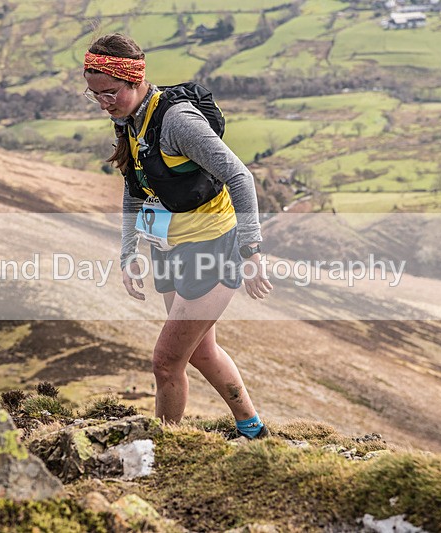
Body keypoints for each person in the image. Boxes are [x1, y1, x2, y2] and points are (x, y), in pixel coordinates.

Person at [83, 33, 273, 438]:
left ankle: (162, 447)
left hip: (212, 248)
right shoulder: (130, 119)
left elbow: (240, 177)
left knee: (166, 362)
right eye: (94, 94)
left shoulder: (177, 121)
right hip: (170, 247)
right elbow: (135, 187)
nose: (103, 103)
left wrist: (251, 249)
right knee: (201, 352)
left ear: (134, 80)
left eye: (110, 92)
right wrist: (128, 252)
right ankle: (253, 429)